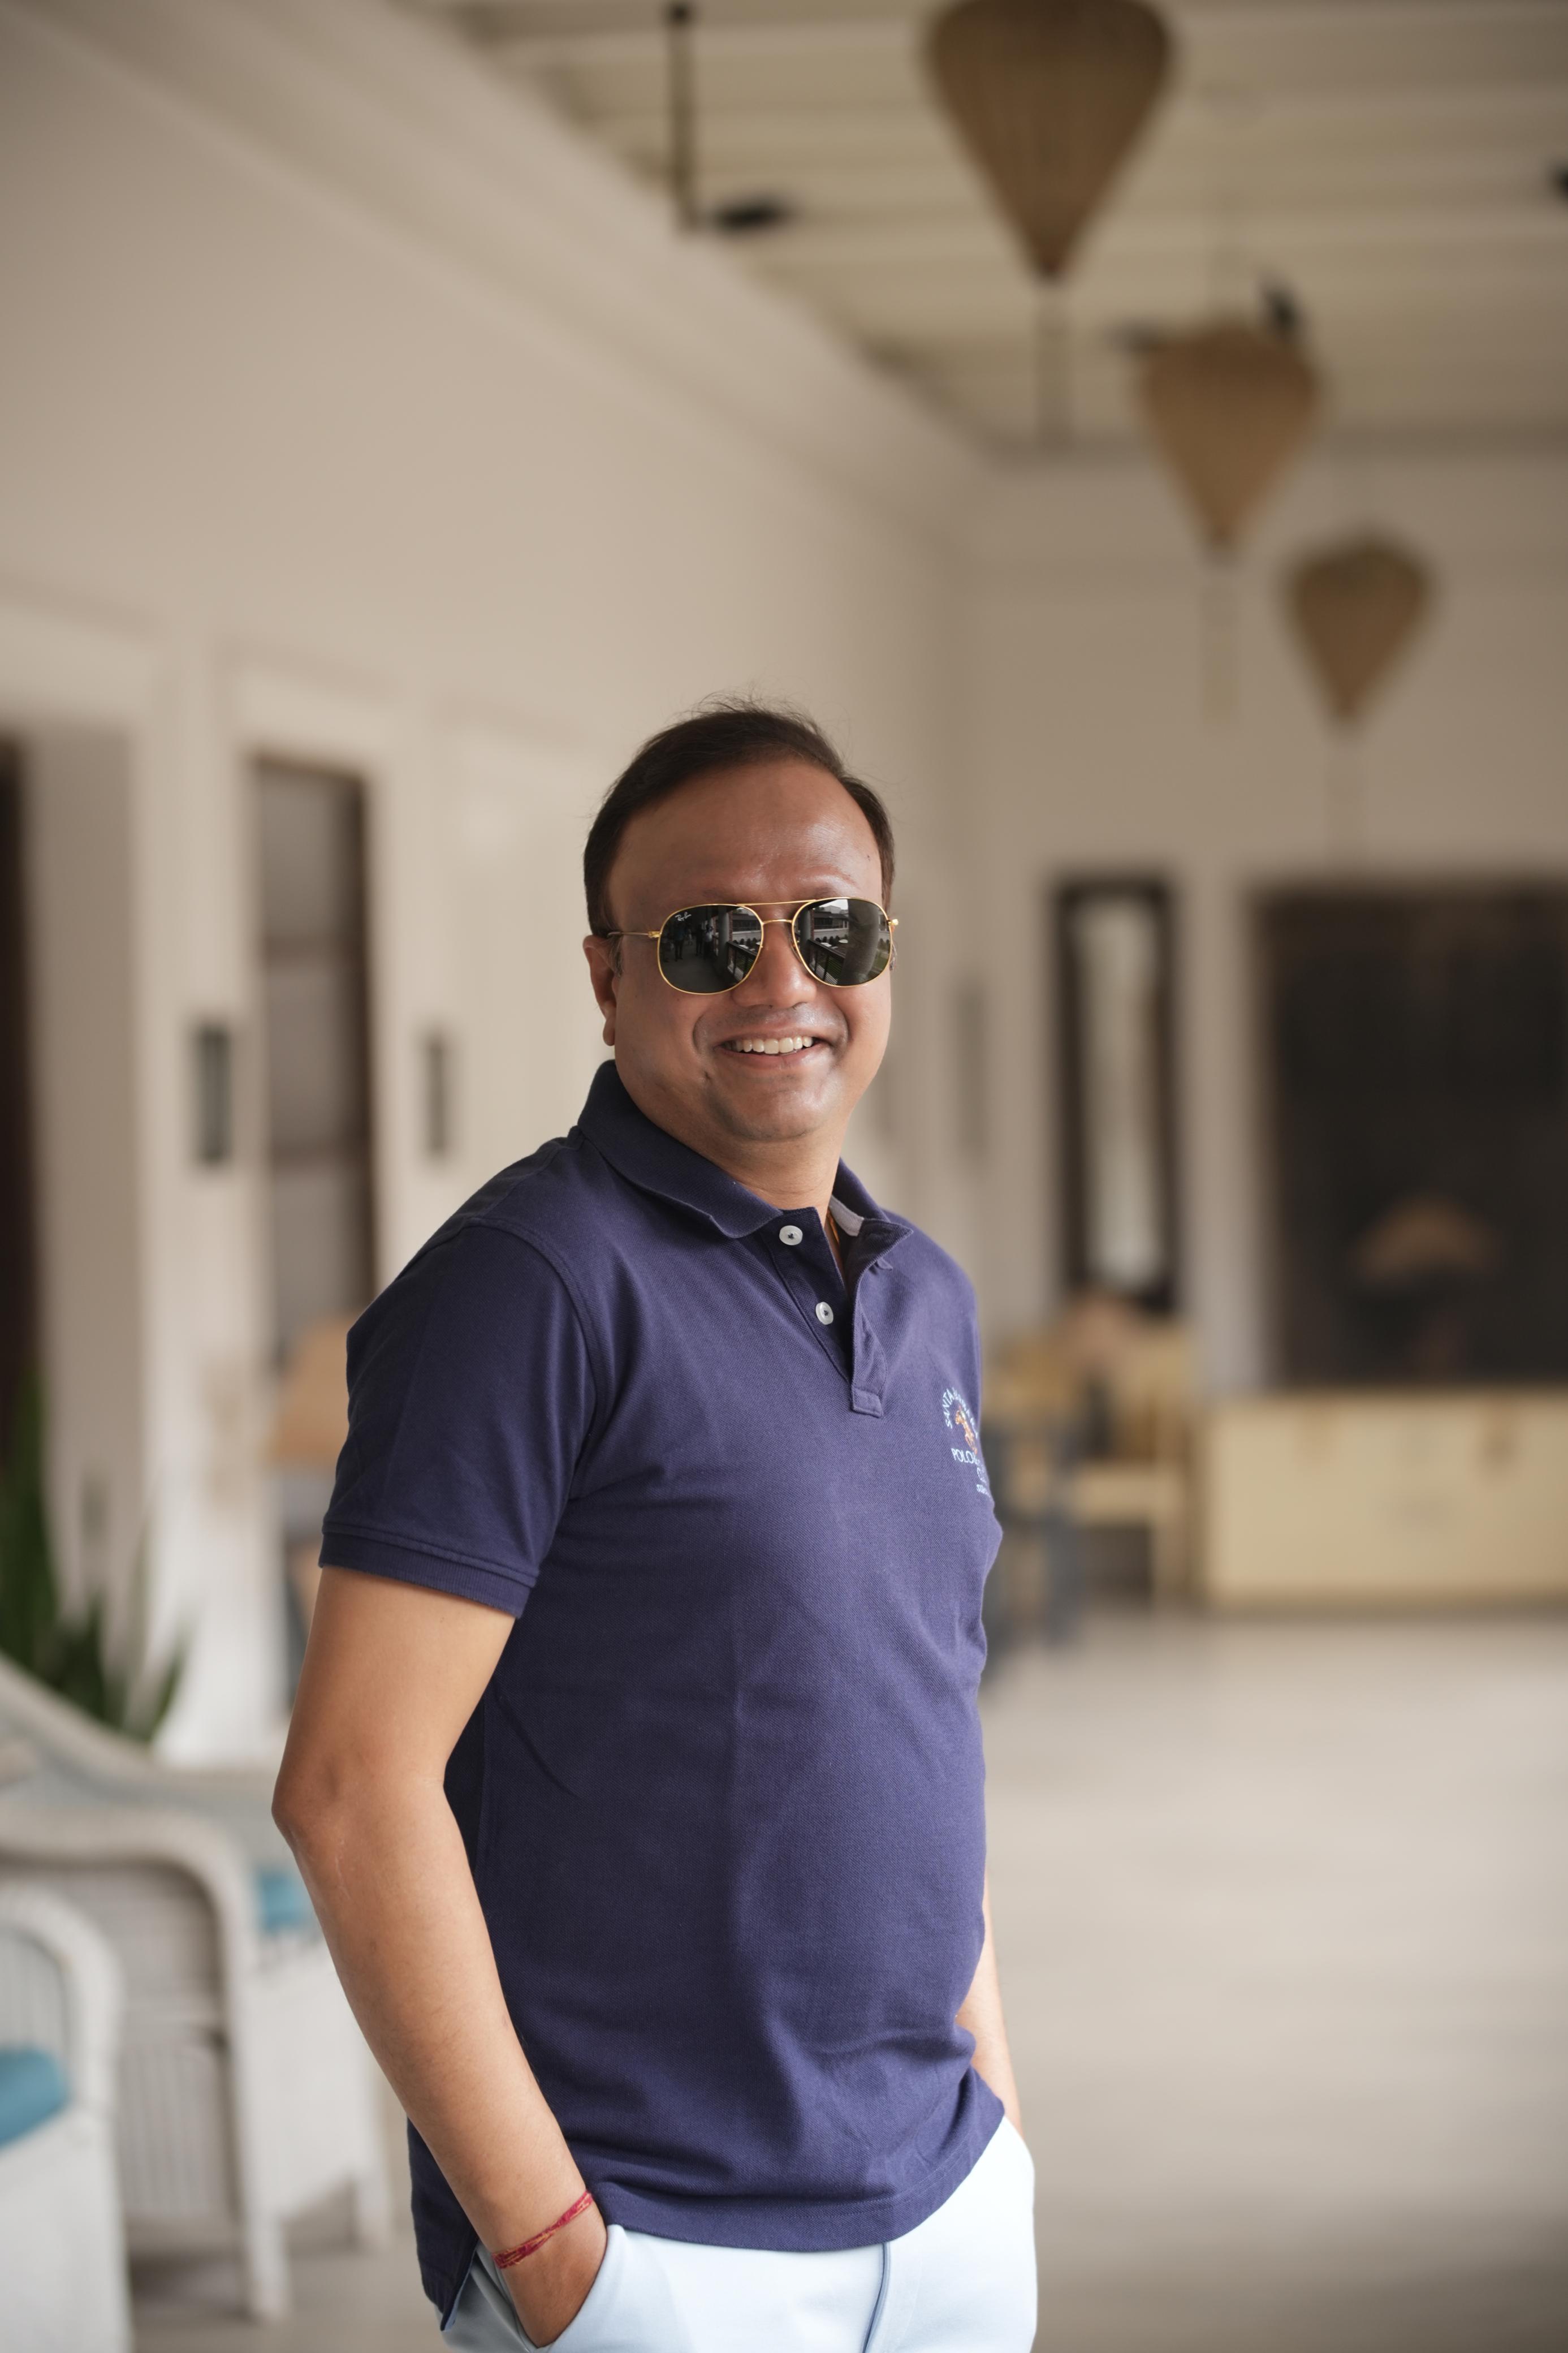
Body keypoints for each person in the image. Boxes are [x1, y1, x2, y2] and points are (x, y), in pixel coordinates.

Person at [274, 703, 1035, 2353]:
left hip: (950, 2213)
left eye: (832, 928)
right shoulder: (526, 1288)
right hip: (661, 2252)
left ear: (885, 955)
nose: (781, 982)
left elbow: (920, 1712)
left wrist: (994, 2102)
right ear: (608, 978)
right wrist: (558, 2253)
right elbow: (349, 1788)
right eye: (709, 938)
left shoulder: (928, 1298)